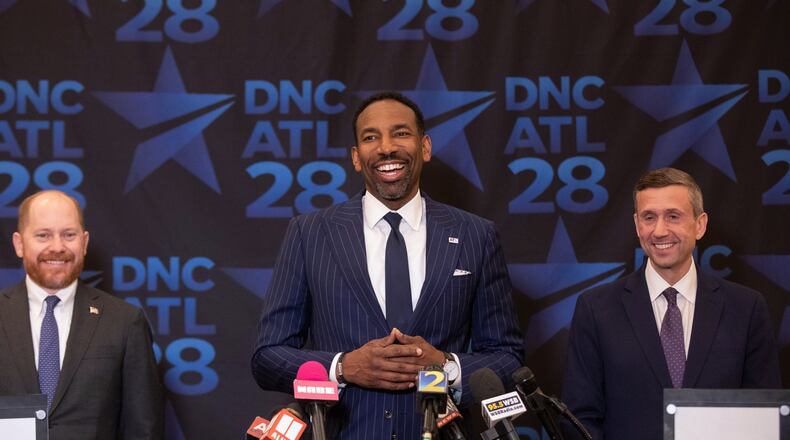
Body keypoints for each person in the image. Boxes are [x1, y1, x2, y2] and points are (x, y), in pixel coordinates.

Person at [251, 92, 523, 439]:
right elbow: (267, 357)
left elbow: (508, 358)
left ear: (425, 147)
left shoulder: (476, 235)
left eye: (401, 133)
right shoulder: (309, 233)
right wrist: (344, 367)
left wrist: (446, 367)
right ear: (356, 157)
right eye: (370, 137)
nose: (386, 148)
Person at [561, 168, 781, 440]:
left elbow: (762, 418)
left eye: (673, 216)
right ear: (637, 224)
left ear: (700, 224)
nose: (660, 230)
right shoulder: (596, 309)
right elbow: (580, 420)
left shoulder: (746, 309)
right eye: (649, 217)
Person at [0, 190, 164, 439]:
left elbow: (144, 429)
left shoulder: (125, 322)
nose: (57, 247)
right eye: (43, 235)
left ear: (84, 243)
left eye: (69, 235)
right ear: (19, 243)